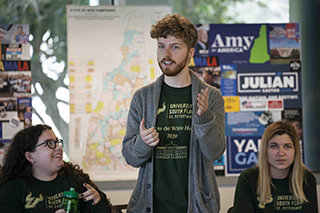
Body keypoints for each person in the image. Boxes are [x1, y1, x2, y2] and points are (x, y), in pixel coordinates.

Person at [122, 13, 226, 213]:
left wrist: (204, 119)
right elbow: (131, 157)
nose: (166, 53)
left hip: (196, 207)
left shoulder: (210, 96)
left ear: (190, 52)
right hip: (150, 207)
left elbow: (215, 152)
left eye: (175, 47)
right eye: (161, 46)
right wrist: (142, 143)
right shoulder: (142, 98)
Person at [0, 124, 112, 213]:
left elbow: (105, 210)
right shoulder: (13, 190)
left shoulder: (75, 179)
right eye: (49, 143)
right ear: (30, 156)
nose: (58, 147)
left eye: (57, 142)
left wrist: (99, 199)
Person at [233, 121, 318, 212]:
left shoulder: (307, 179)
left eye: (287, 146)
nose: (281, 153)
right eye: (274, 146)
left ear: (295, 150)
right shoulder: (248, 179)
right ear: (265, 150)